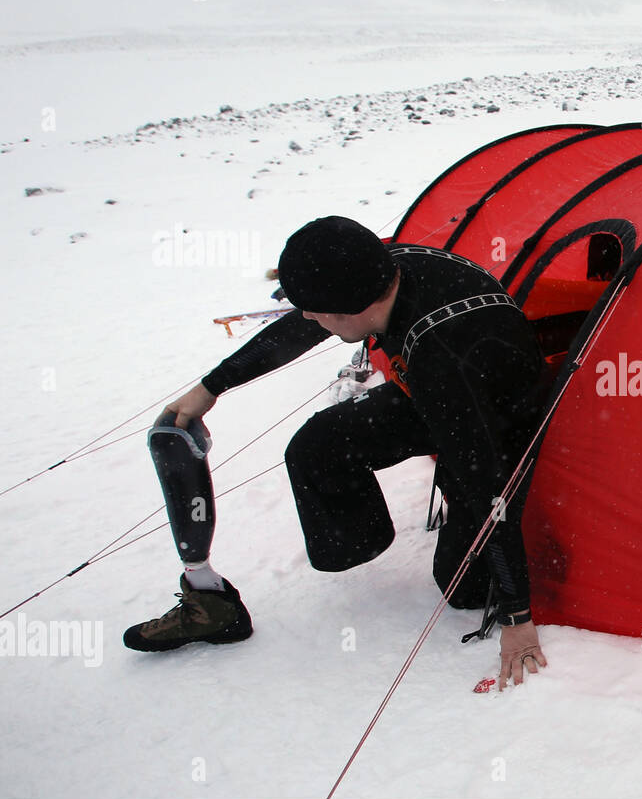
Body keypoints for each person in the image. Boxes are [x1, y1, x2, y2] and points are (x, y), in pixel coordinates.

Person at [124, 216, 549, 687]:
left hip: (496, 426)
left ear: (353, 308)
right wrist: (212, 387)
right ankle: (363, 542)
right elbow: (299, 330)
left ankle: (470, 550)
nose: (307, 319)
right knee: (318, 446)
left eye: (315, 311)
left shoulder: (446, 356)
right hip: (429, 394)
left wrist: (517, 615)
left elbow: (487, 480)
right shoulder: (385, 271)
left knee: (463, 589)